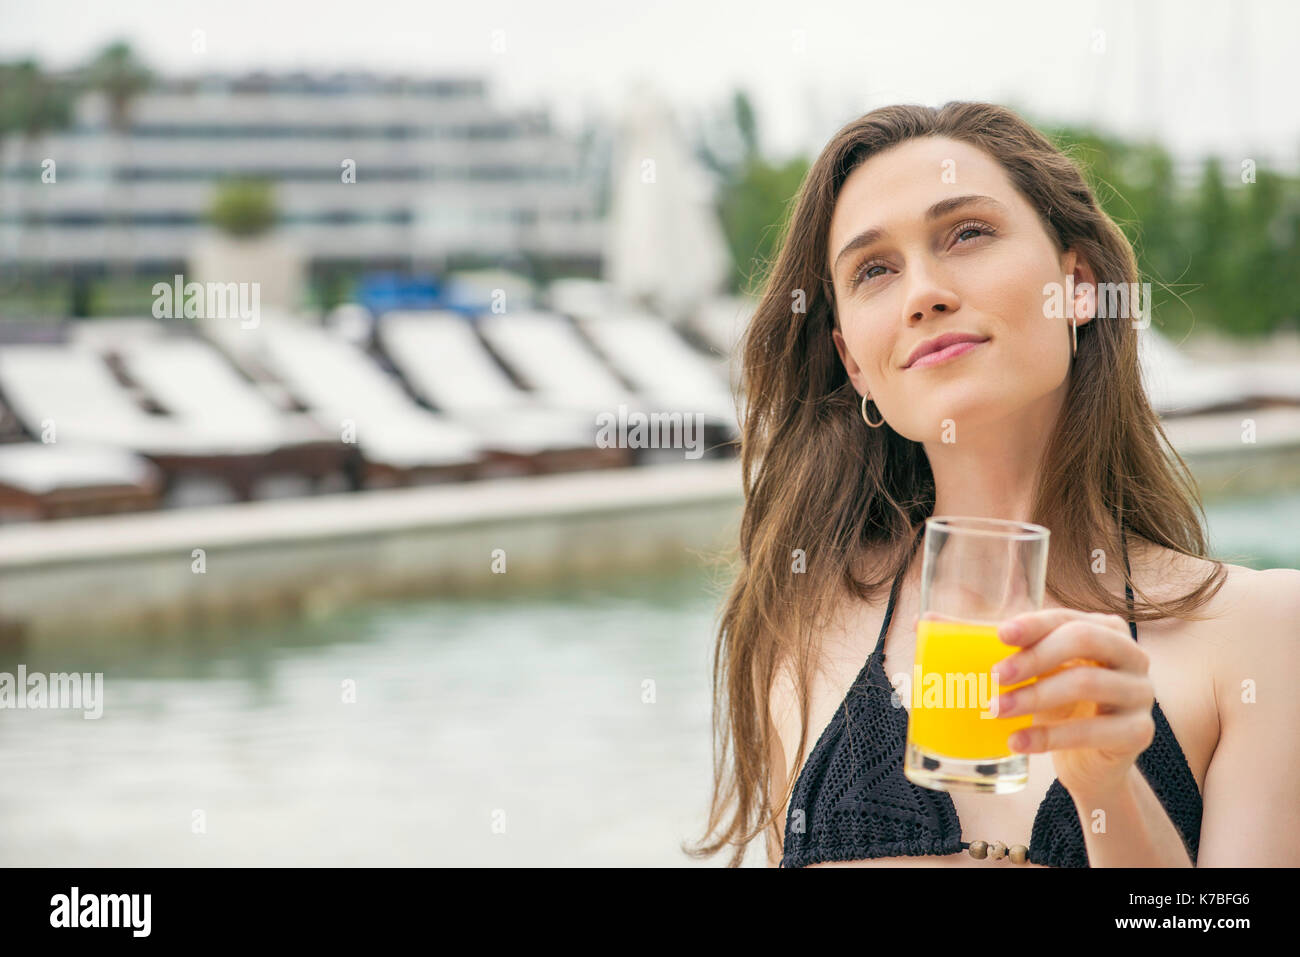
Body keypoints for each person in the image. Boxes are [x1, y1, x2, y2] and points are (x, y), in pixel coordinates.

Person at [684, 101, 1300, 868]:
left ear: (1078, 285)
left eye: (967, 233)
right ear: (853, 361)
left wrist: (1108, 787)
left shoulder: (1260, 633)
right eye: (874, 269)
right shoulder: (800, 625)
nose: (924, 291)